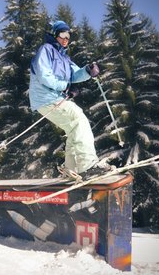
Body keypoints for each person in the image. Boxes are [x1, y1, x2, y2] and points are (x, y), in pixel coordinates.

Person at [29, 20, 112, 178]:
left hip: (55, 98)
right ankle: (87, 166)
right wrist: (65, 86)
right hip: (45, 97)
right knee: (78, 119)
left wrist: (87, 71)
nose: (66, 38)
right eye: (62, 34)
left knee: (74, 127)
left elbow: (74, 75)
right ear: (54, 35)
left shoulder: (64, 58)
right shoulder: (46, 50)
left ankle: (71, 169)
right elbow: (44, 76)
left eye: (68, 35)